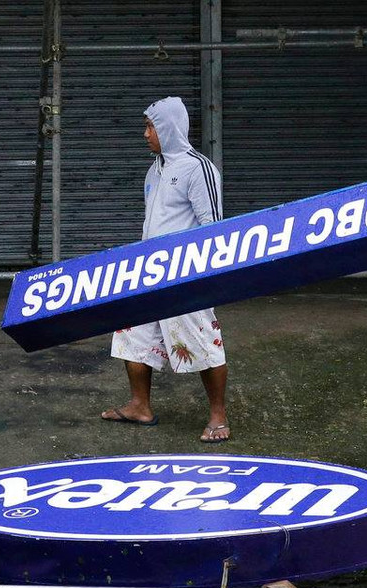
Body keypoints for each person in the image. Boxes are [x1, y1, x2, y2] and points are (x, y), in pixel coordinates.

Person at [101, 96, 230, 443]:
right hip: (148, 272)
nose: (145, 134)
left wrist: (204, 276)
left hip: (186, 276)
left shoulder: (198, 168)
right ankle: (139, 406)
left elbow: (214, 227)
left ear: (169, 128)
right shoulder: (154, 170)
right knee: (133, 338)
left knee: (203, 342)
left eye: (151, 127)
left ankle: (218, 416)